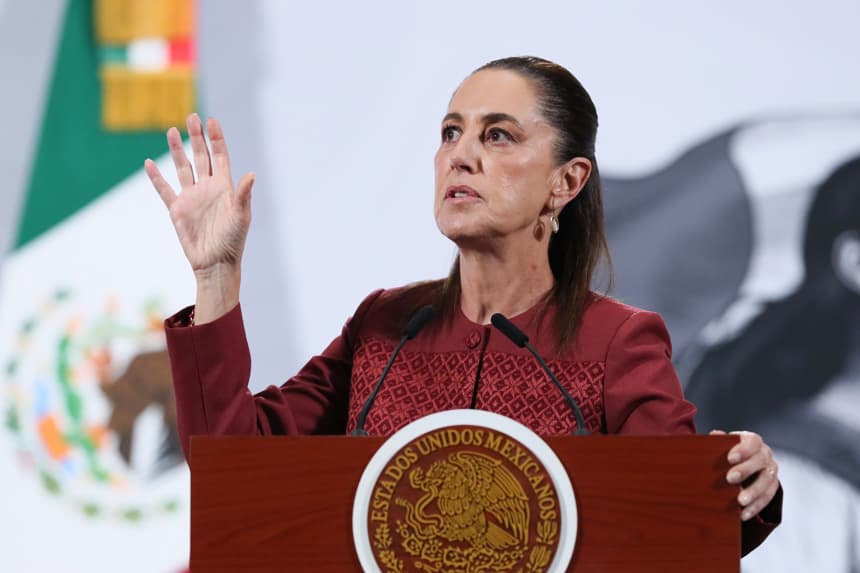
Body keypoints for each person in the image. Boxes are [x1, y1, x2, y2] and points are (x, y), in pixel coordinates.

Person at [144, 56, 781, 555]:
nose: (461, 154)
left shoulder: (618, 341)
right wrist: (216, 274)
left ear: (567, 181)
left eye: (498, 136)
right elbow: (231, 465)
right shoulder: (382, 327)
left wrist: (746, 488)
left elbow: (677, 527)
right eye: (452, 132)